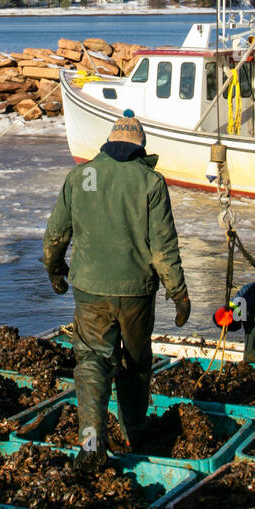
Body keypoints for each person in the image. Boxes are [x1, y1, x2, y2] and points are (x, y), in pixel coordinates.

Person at [43, 115, 190, 456]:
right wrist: (179, 294)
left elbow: (55, 234)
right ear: (141, 148)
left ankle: (92, 440)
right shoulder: (151, 182)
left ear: (107, 145)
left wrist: (54, 269)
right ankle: (133, 436)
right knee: (136, 365)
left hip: (91, 290)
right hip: (136, 292)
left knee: (93, 360)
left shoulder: (80, 176)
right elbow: (163, 248)